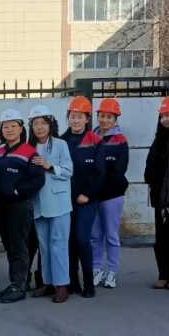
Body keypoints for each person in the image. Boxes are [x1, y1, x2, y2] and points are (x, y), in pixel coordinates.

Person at [0, 108, 44, 304]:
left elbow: (38, 180)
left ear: (21, 129)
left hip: (19, 206)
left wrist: (17, 192)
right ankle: (17, 282)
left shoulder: (30, 152)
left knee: (19, 246)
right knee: (10, 246)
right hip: (1, 207)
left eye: (13, 126)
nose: (9, 130)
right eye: (5, 126)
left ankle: (19, 286)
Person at [28, 105, 74, 303]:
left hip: (59, 203)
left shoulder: (61, 144)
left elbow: (68, 170)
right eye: (35, 124)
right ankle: (47, 282)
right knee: (44, 245)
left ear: (50, 125)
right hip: (38, 203)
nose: (39, 127)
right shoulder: (29, 147)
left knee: (59, 244)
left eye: (43, 123)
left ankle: (62, 285)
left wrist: (49, 166)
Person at [61, 96, 103, 298]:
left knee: (82, 239)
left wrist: (88, 194)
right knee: (69, 241)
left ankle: (88, 283)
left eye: (80, 117)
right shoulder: (61, 141)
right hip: (65, 200)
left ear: (87, 119)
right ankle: (72, 282)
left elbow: (100, 173)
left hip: (87, 200)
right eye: (72, 116)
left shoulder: (96, 141)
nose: (75, 120)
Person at [144, 95, 169, 290]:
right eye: (163, 116)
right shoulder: (158, 139)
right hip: (159, 196)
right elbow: (151, 165)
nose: (166, 119)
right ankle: (164, 273)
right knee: (161, 237)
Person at [91, 97, 129, 289]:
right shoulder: (90, 137)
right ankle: (96, 270)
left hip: (112, 196)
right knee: (95, 236)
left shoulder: (120, 140)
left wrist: (100, 185)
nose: (104, 120)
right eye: (102, 116)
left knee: (111, 236)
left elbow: (119, 170)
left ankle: (112, 272)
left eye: (109, 117)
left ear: (115, 119)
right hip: (93, 196)